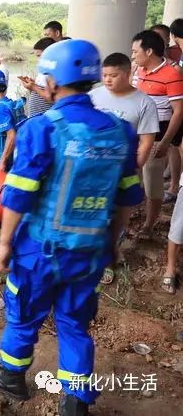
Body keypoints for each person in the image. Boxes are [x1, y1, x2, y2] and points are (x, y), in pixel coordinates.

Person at [0, 40, 143, 415]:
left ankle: (12, 376)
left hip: (40, 250)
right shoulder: (120, 131)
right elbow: (126, 198)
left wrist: (4, 244)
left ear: (53, 82)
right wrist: (114, 244)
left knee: (23, 314)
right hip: (89, 251)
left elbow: (18, 195)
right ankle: (75, 401)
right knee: (74, 324)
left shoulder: (42, 128)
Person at [90, 53, 159, 284]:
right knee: (95, 214)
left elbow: (147, 140)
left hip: (124, 171)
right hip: (93, 171)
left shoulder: (144, 103)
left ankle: (110, 259)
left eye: (113, 75)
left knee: (119, 217)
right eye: (105, 75)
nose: (108, 80)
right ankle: (89, 257)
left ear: (128, 74)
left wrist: (134, 165)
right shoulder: (94, 95)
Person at [133, 30, 183, 239]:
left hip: (155, 136)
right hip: (135, 134)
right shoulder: (138, 70)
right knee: (133, 178)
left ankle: (148, 225)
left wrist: (165, 142)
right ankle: (133, 211)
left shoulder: (172, 74)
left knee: (152, 183)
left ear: (149, 51)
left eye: (136, 51)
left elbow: (179, 111)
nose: (133, 55)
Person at [18, 37, 56, 117]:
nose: (38, 60)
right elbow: (42, 89)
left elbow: (51, 98)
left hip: (44, 119)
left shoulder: (54, 71)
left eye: (39, 56)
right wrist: (33, 84)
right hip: (36, 119)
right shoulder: (44, 69)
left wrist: (34, 87)